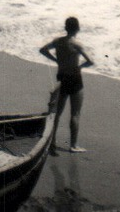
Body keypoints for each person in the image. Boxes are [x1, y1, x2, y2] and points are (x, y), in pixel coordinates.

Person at [39, 16, 95, 153]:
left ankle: (52, 142)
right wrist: (80, 67)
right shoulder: (76, 44)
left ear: (65, 28)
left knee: (58, 113)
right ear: (77, 29)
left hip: (62, 77)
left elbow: (43, 50)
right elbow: (90, 61)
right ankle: (73, 145)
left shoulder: (58, 42)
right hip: (75, 78)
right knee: (75, 113)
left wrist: (57, 60)